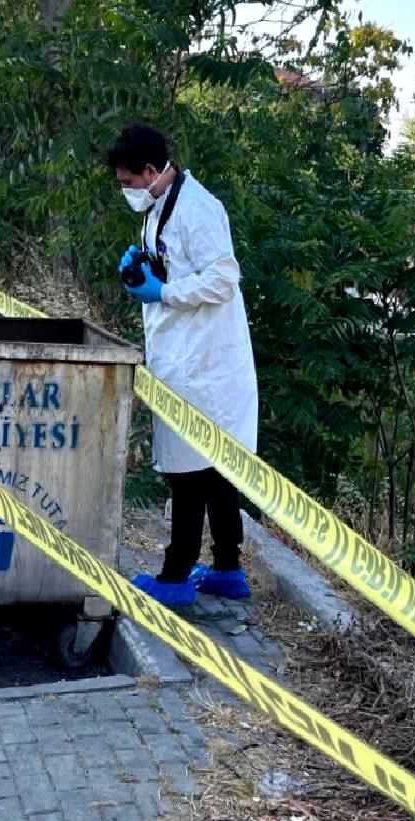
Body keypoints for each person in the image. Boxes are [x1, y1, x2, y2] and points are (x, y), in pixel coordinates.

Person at [108, 124, 259, 608]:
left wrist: (164, 292)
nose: (128, 192)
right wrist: (143, 266)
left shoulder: (199, 208)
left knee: (191, 471)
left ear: (152, 171)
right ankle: (227, 569)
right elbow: (175, 264)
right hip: (184, 357)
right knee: (215, 468)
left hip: (206, 364)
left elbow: (223, 278)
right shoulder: (158, 208)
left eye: (129, 182)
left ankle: (175, 576)